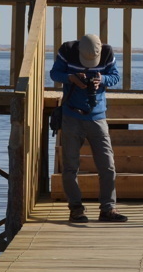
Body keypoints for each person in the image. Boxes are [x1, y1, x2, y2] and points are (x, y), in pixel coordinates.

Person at [49, 33, 128, 222]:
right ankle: (76, 209)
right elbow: (54, 74)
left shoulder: (107, 53)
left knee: (108, 166)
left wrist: (102, 80)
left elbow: (115, 77)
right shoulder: (67, 50)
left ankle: (108, 209)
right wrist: (71, 78)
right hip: (71, 116)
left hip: (98, 117)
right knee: (70, 167)